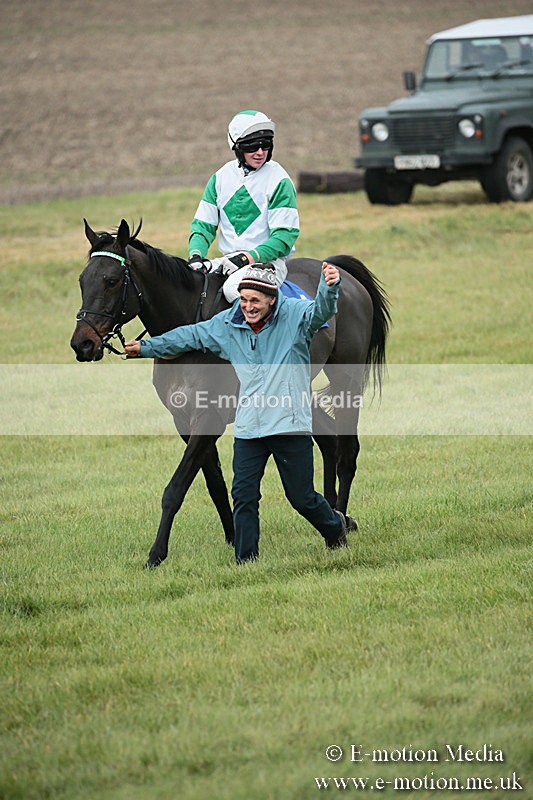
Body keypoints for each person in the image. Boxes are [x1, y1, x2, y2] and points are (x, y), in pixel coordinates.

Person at [125, 262, 347, 563]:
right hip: (249, 428)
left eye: (255, 301)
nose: (248, 307)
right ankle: (246, 560)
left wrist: (329, 287)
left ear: (272, 299)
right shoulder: (228, 325)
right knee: (243, 496)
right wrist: (146, 348)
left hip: (288, 424)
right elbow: (190, 336)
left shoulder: (294, 315)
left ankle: (335, 528)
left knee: (301, 498)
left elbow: (319, 312)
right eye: (243, 300)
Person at [187, 109, 300, 302]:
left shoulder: (279, 179)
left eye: (265, 146)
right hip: (229, 261)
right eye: (252, 146)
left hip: (269, 264)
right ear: (237, 147)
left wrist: (246, 258)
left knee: (234, 289)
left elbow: (284, 237)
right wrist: (196, 255)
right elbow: (203, 226)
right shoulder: (220, 178)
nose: (260, 152)